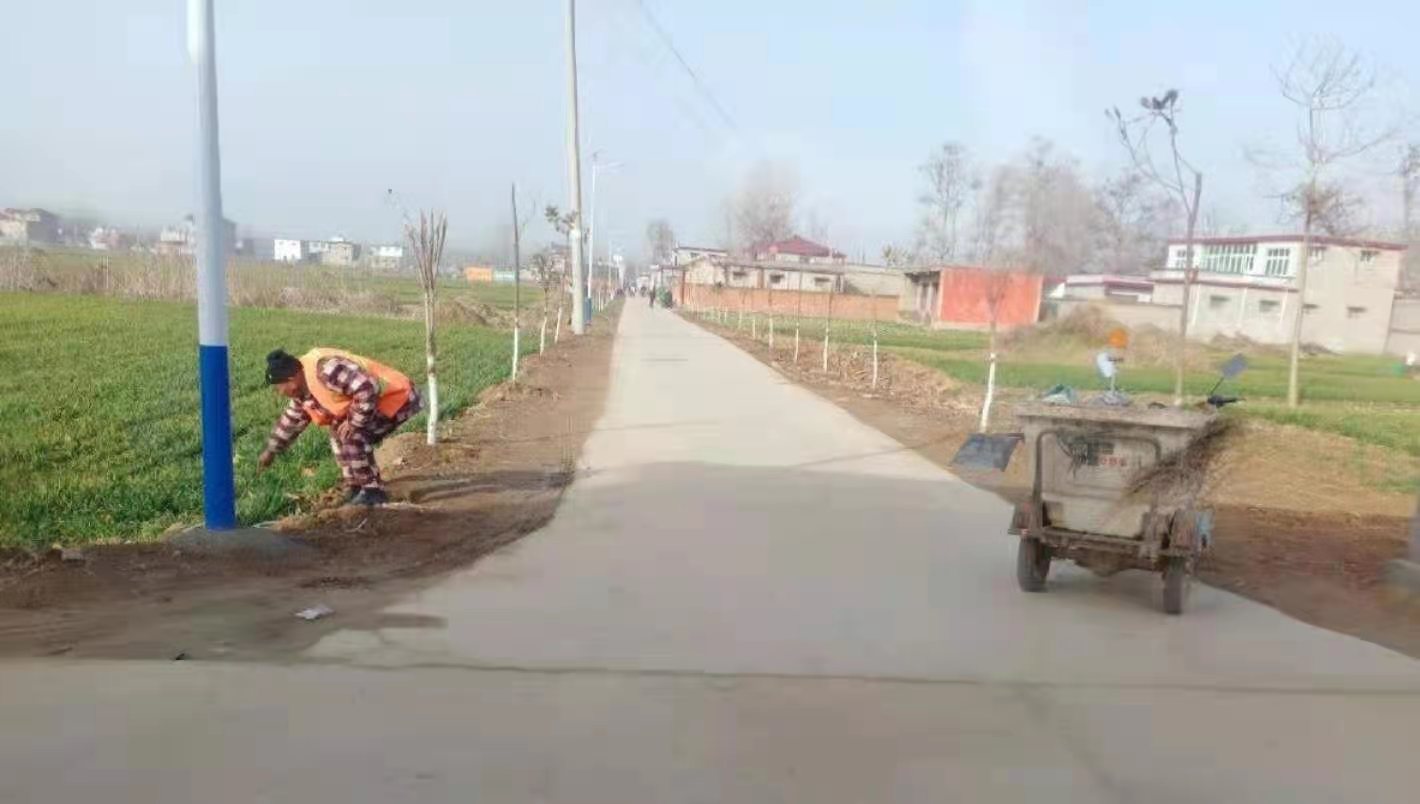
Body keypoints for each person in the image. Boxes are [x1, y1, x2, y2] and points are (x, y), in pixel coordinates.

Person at [258, 348, 422, 506]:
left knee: (353, 436)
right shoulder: (303, 388)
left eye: (278, 387)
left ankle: (373, 491)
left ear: (292, 379)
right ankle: (355, 486)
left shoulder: (327, 371)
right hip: (373, 402)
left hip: (398, 397)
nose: (279, 393)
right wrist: (271, 450)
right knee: (338, 432)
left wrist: (353, 422)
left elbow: (368, 388)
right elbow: (291, 421)